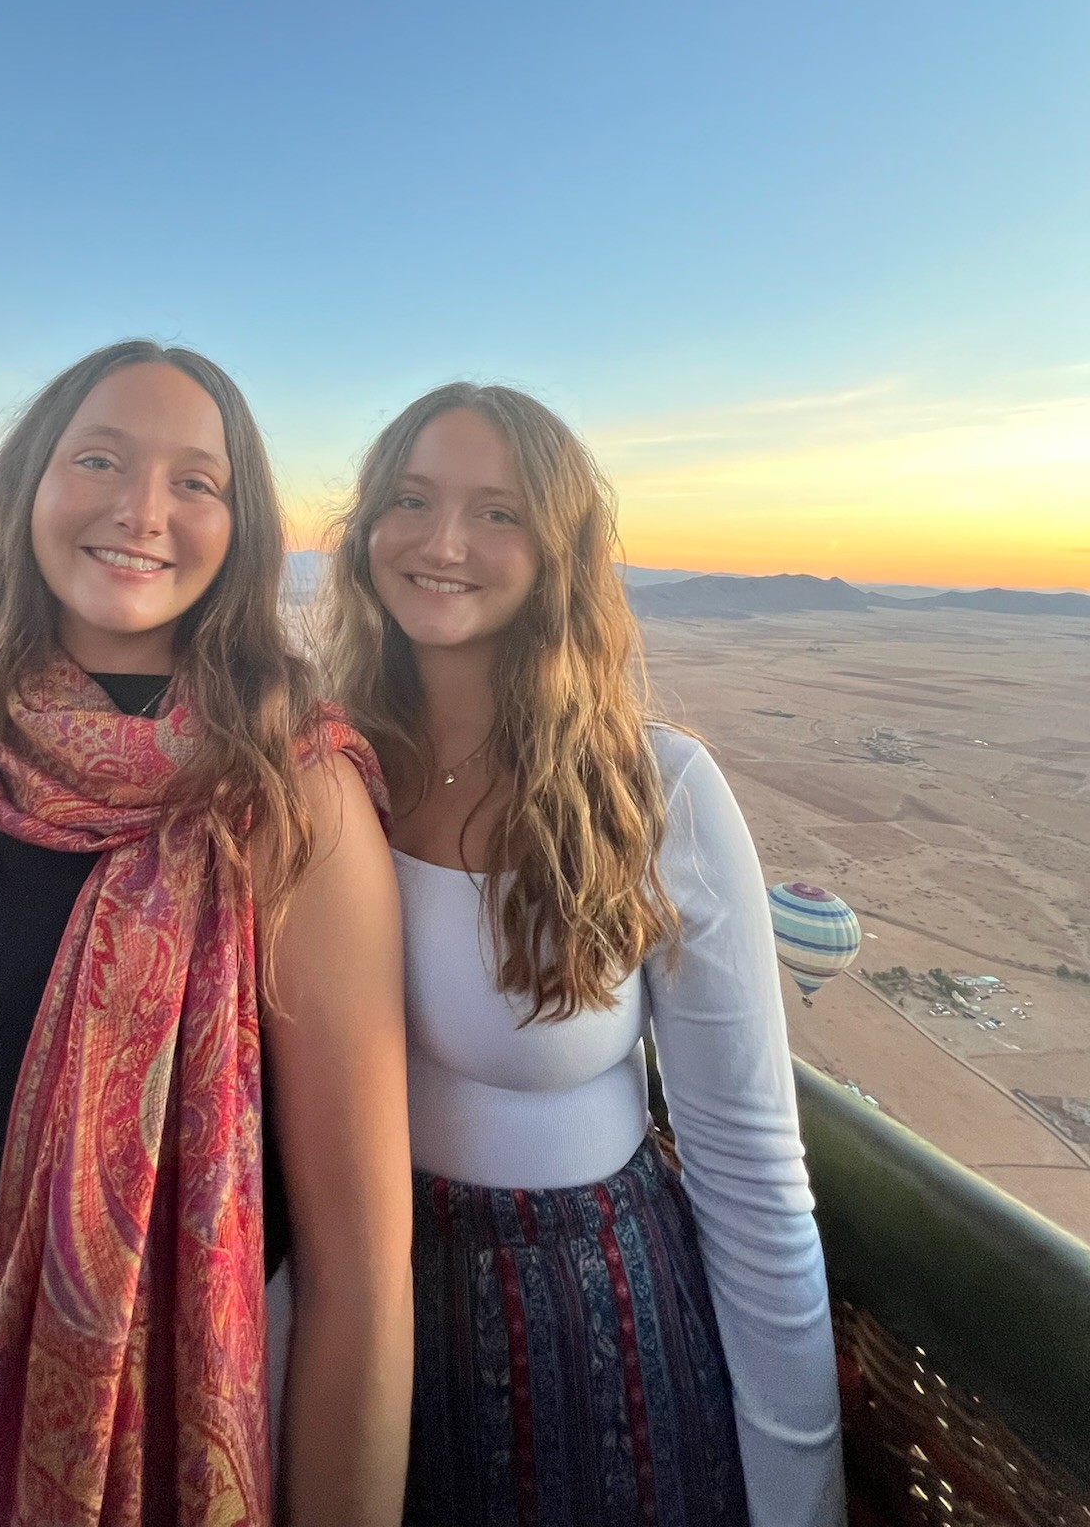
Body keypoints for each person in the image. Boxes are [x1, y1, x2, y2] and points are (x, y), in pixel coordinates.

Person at [0, 340, 413, 1527]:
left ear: (243, 528)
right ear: (31, 483)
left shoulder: (289, 796)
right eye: (101, 458)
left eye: (197, 481)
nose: (142, 510)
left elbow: (362, 1280)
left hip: (128, 1436)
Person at [319, 383, 846, 1527]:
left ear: (561, 552)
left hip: (582, 1341)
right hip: (345, 1331)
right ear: (365, 531)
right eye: (411, 498)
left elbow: (751, 1176)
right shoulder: (321, 769)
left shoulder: (655, 794)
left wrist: (803, 1498)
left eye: (498, 511)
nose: (444, 540)